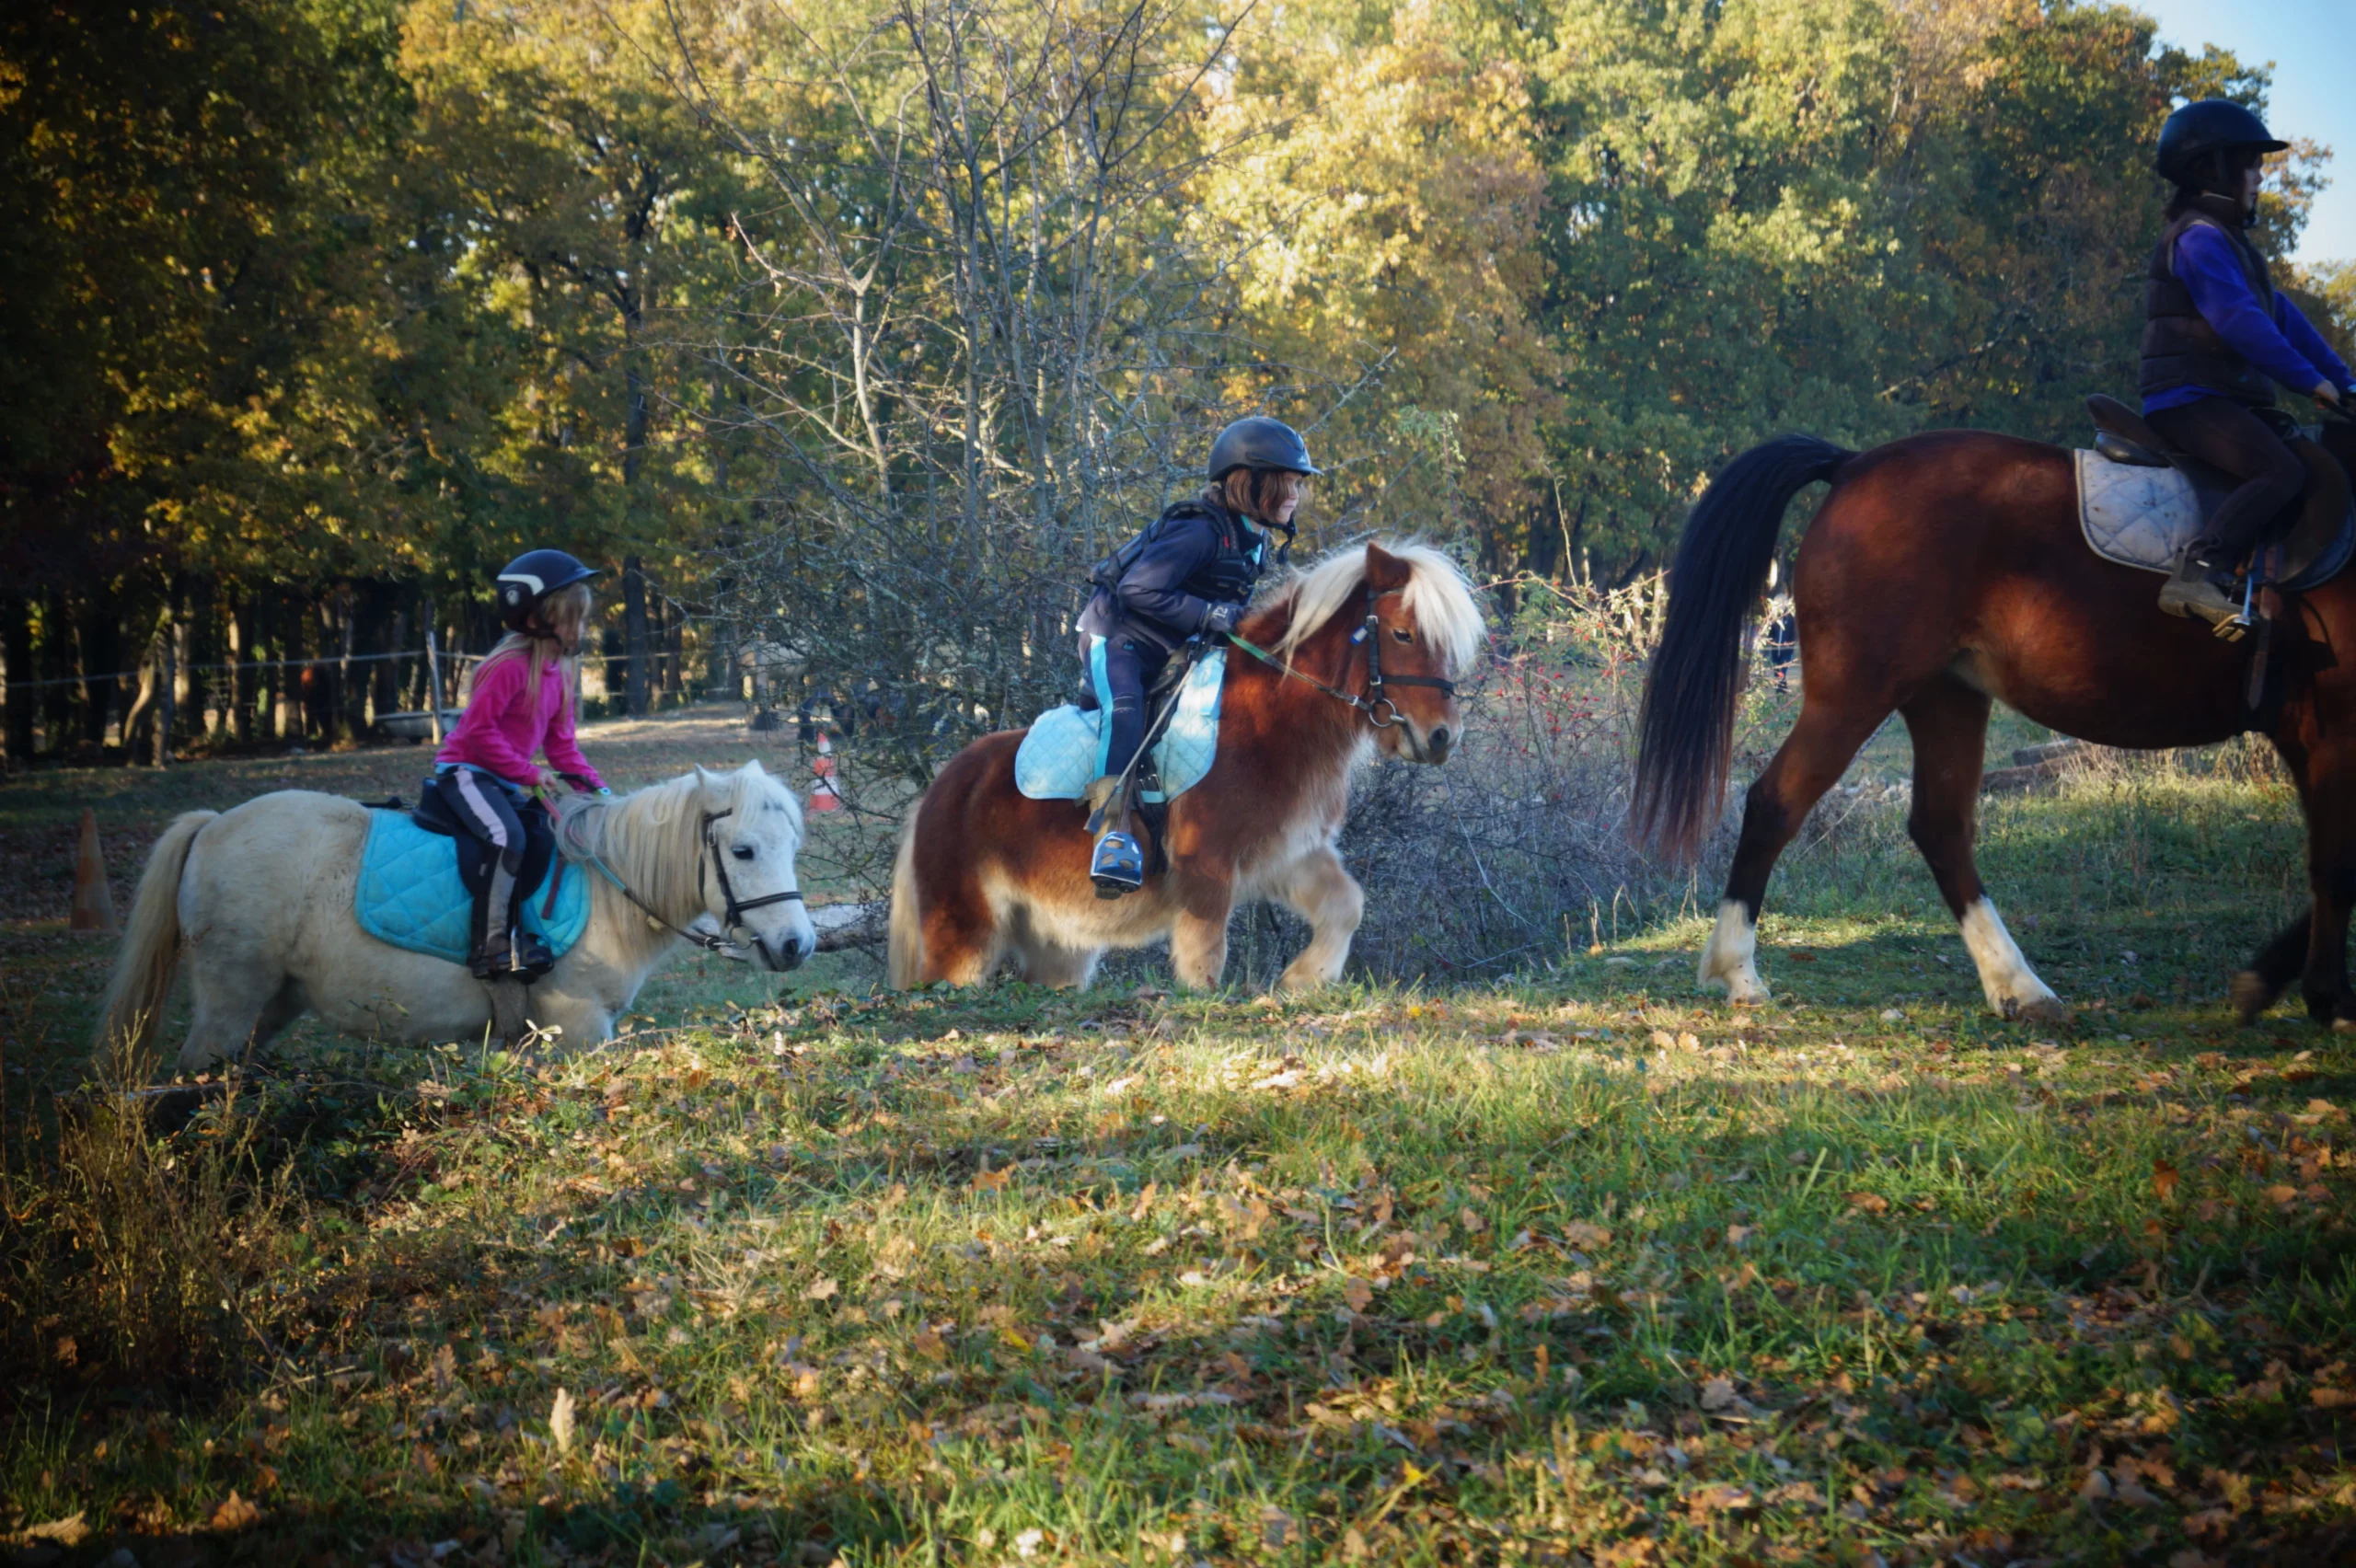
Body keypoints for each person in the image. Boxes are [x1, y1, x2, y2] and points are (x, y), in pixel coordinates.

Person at [1075, 416, 1318, 894]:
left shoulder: (1253, 536)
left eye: (1296, 484)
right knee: (1126, 712)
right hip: (1117, 635)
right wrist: (1210, 614)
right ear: (1248, 485)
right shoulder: (1201, 532)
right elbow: (1137, 588)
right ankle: (1111, 837)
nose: (1293, 494)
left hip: (1172, 641)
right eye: (1283, 483)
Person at [2142, 98, 2354, 628]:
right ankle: (2200, 571)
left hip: (2221, 399)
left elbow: (2287, 323)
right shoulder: (2197, 238)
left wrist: (2347, 384)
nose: (2261, 177)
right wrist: (2312, 385)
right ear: (2211, 169)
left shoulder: (2237, 250)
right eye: (2252, 164)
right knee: (2280, 469)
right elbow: (2240, 323)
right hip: (2188, 398)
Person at [430, 550, 609, 978]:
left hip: (504, 779)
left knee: (547, 837)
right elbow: (478, 733)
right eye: (575, 618)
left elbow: (563, 747)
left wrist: (599, 792)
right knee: (505, 835)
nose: (582, 628)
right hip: (466, 772)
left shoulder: (559, 673)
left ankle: (529, 932)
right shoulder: (509, 667)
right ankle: (490, 948)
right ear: (542, 617)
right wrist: (529, 772)